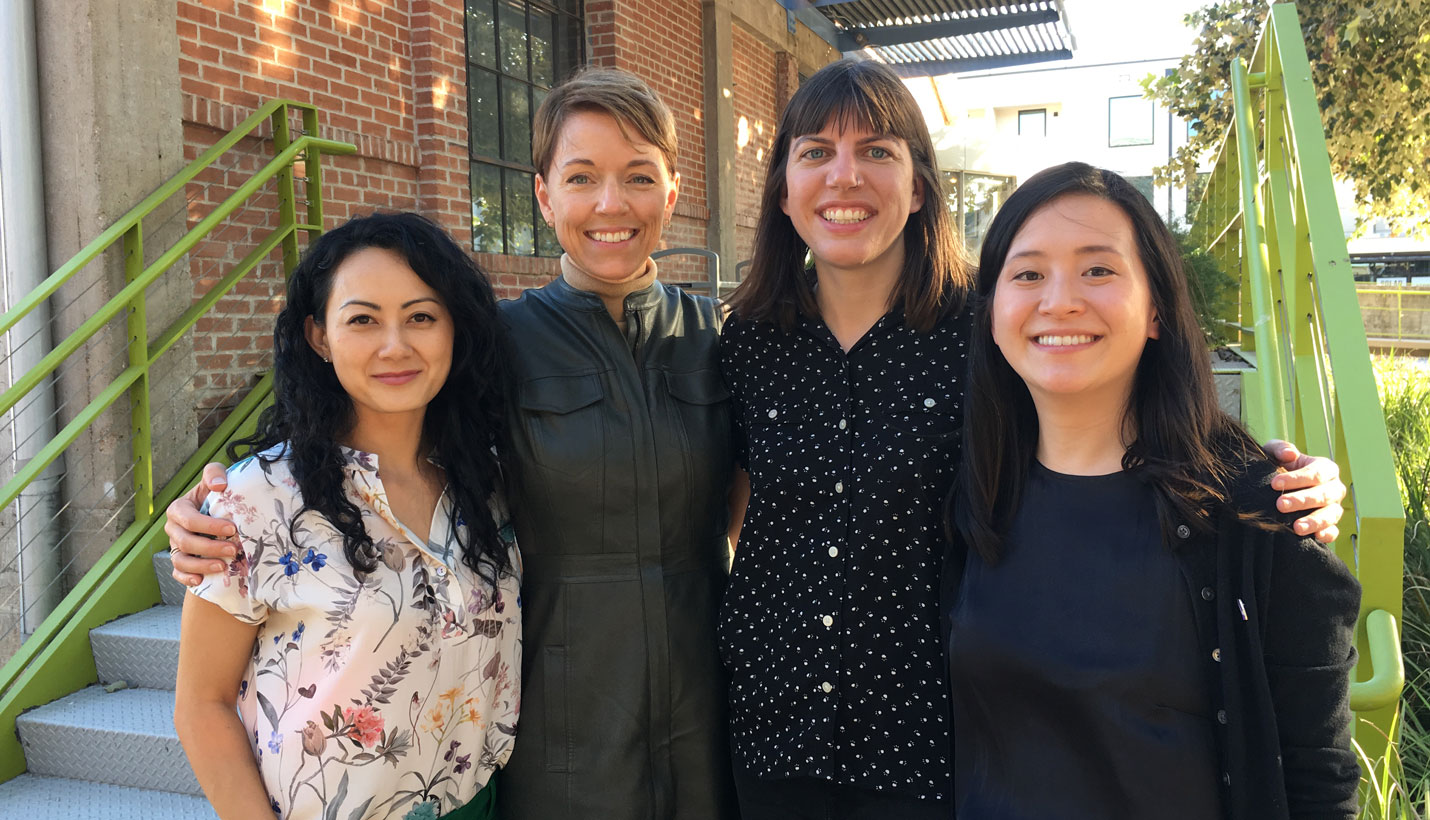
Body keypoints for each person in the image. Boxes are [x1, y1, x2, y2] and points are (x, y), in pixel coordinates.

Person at [719, 59, 1349, 819]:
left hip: (930, 745)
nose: (844, 176)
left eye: (879, 150)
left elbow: (1103, 401)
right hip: (771, 727)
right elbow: (743, 511)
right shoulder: (748, 341)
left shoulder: (985, 330)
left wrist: (1273, 479)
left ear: (920, 186)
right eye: (815, 152)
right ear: (782, 188)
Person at [167, 68, 737, 820]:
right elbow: (375, 429)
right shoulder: (498, 345)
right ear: (543, 195)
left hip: (706, 702)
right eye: (580, 176)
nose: (610, 203)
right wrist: (214, 512)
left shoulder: (718, 338)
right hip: (561, 725)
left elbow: (748, 504)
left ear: (671, 193)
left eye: (638, 177)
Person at [945, 161, 1360, 819]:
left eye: (1098, 270)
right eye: (1027, 274)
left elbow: (1318, 783)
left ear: (1158, 310)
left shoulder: (1260, 514)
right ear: (992, 313)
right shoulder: (970, 490)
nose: (1059, 300)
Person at [173, 212, 521, 820]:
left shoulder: (489, 485)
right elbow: (201, 703)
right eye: (363, 319)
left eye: (421, 316)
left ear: (453, 331)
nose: (396, 345)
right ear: (319, 336)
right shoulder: (259, 498)